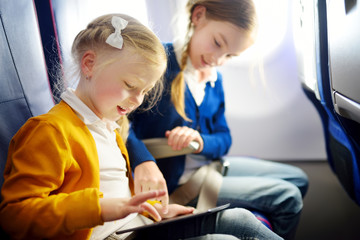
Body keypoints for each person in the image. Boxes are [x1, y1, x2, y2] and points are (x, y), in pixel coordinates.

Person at [0, 13, 283, 240]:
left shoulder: (109, 126)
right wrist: (99, 208)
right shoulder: (51, 131)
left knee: (238, 220)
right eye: (130, 86)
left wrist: (152, 212)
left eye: (145, 91)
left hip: (135, 225)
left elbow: (118, 191)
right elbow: (15, 216)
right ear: (89, 64)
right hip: (112, 234)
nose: (138, 101)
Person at [126, 0, 309, 239]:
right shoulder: (158, 63)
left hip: (209, 166)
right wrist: (143, 161)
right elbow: (118, 122)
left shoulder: (214, 79)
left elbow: (224, 138)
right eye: (217, 43)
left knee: (299, 179)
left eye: (229, 55)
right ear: (198, 16)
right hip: (181, 181)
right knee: (288, 197)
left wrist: (201, 141)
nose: (218, 60)